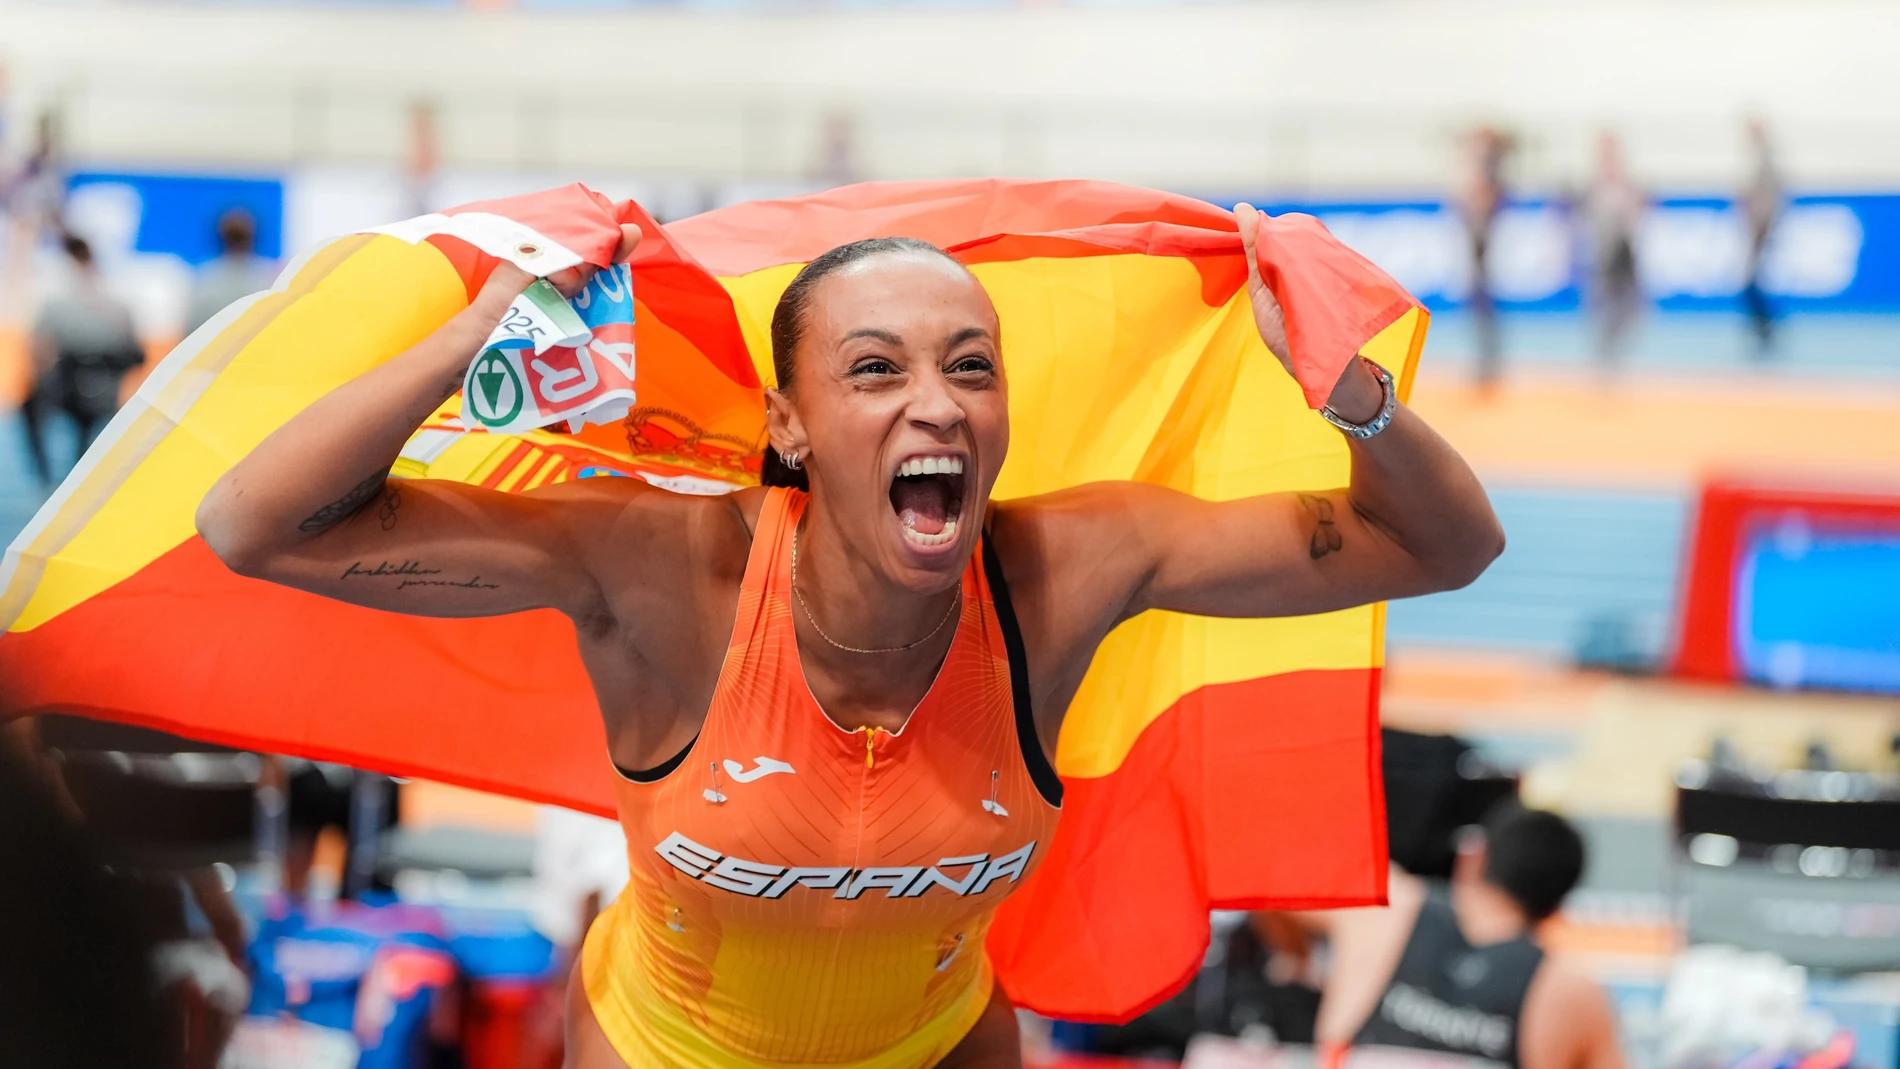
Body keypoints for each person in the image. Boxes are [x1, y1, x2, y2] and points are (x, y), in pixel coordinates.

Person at [194, 204, 1506, 1069]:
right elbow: (259, 525)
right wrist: (472, 335)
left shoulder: (1064, 571)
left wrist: (1358, 397)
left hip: (943, 1047)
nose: (936, 401)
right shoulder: (666, 574)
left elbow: (1446, 548)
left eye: (972, 366)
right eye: (875, 369)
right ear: (789, 425)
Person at [1283, 804, 1621, 1069]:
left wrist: (1297, 957)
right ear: (1557, 908)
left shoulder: (1382, 905)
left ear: (1472, 857)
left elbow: (1265, 882)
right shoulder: (1572, 992)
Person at [23, 233, 145, 487]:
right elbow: (135, 353)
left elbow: (37, 351)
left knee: (31, 405)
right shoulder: (119, 306)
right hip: (107, 391)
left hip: (69, 388)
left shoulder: (58, 304)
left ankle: (44, 478)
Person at [1582, 132, 1644, 371]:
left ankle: (1615, 348)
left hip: (1623, 253)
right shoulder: (1594, 187)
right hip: (1602, 255)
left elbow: (1634, 216)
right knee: (1602, 305)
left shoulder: (1625, 186)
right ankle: (1605, 351)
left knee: (1627, 307)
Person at [1458, 127, 1512, 388]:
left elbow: (1481, 205)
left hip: (1485, 260)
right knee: (1481, 314)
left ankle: (1489, 368)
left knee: (1485, 315)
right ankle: (1486, 367)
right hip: (1479, 258)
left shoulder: (1492, 178)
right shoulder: (1488, 178)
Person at [183, 208, 275, 337]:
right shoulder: (269, 277)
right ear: (254, 237)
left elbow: (190, 331)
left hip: (216, 351)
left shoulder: (205, 276)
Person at [1739, 118, 1783, 359]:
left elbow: (1769, 198)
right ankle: (1763, 328)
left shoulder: (1765, 162)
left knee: (1751, 284)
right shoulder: (1758, 160)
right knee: (1752, 283)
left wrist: (1763, 227)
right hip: (1756, 229)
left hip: (1761, 229)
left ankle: (1766, 328)